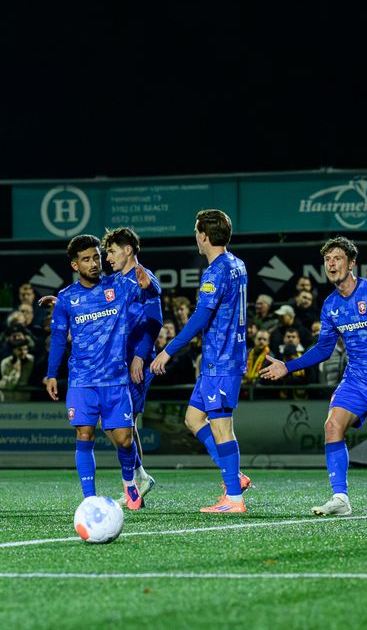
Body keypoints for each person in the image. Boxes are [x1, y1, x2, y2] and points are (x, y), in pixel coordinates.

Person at [260, 236, 367, 517]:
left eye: (337, 258)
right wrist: (288, 365)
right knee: (332, 425)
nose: (331, 264)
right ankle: (340, 498)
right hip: (355, 380)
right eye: (327, 260)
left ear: (351, 263)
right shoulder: (330, 305)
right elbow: (323, 349)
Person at [45, 233, 156, 511]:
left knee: (124, 439)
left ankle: (131, 482)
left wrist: (149, 285)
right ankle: (89, 499)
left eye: (96, 256)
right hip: (82, 380)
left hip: (115, 380)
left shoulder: (118, 285)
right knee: (84, 434)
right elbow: (58, 338)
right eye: (86, 259)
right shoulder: (67, 298)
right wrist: (51, 374)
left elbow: (151, 292)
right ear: (75, 265)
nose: (95, 263)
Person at [150, 209, 251, 512]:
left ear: (204, 235)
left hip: (221, 361)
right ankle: (236, 477)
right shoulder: (238, 265)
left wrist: (168, 350)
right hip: (219, 360)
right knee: (194, 419)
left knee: (222, 428)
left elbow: (201, 317)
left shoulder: (216, 271)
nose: (195, 236)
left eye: (196, 231)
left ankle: (234, 498)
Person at [102, 227, 163, 502]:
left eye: (112, 251)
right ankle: (138, 475)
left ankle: (136, 479)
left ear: (128, 250)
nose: (107, 257)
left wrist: (140, 355)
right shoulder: (115, 280)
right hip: (116, 361)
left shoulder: (143, 277)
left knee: (124, 423)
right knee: (114, 423)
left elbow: (155, 318)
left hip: (135, 362)